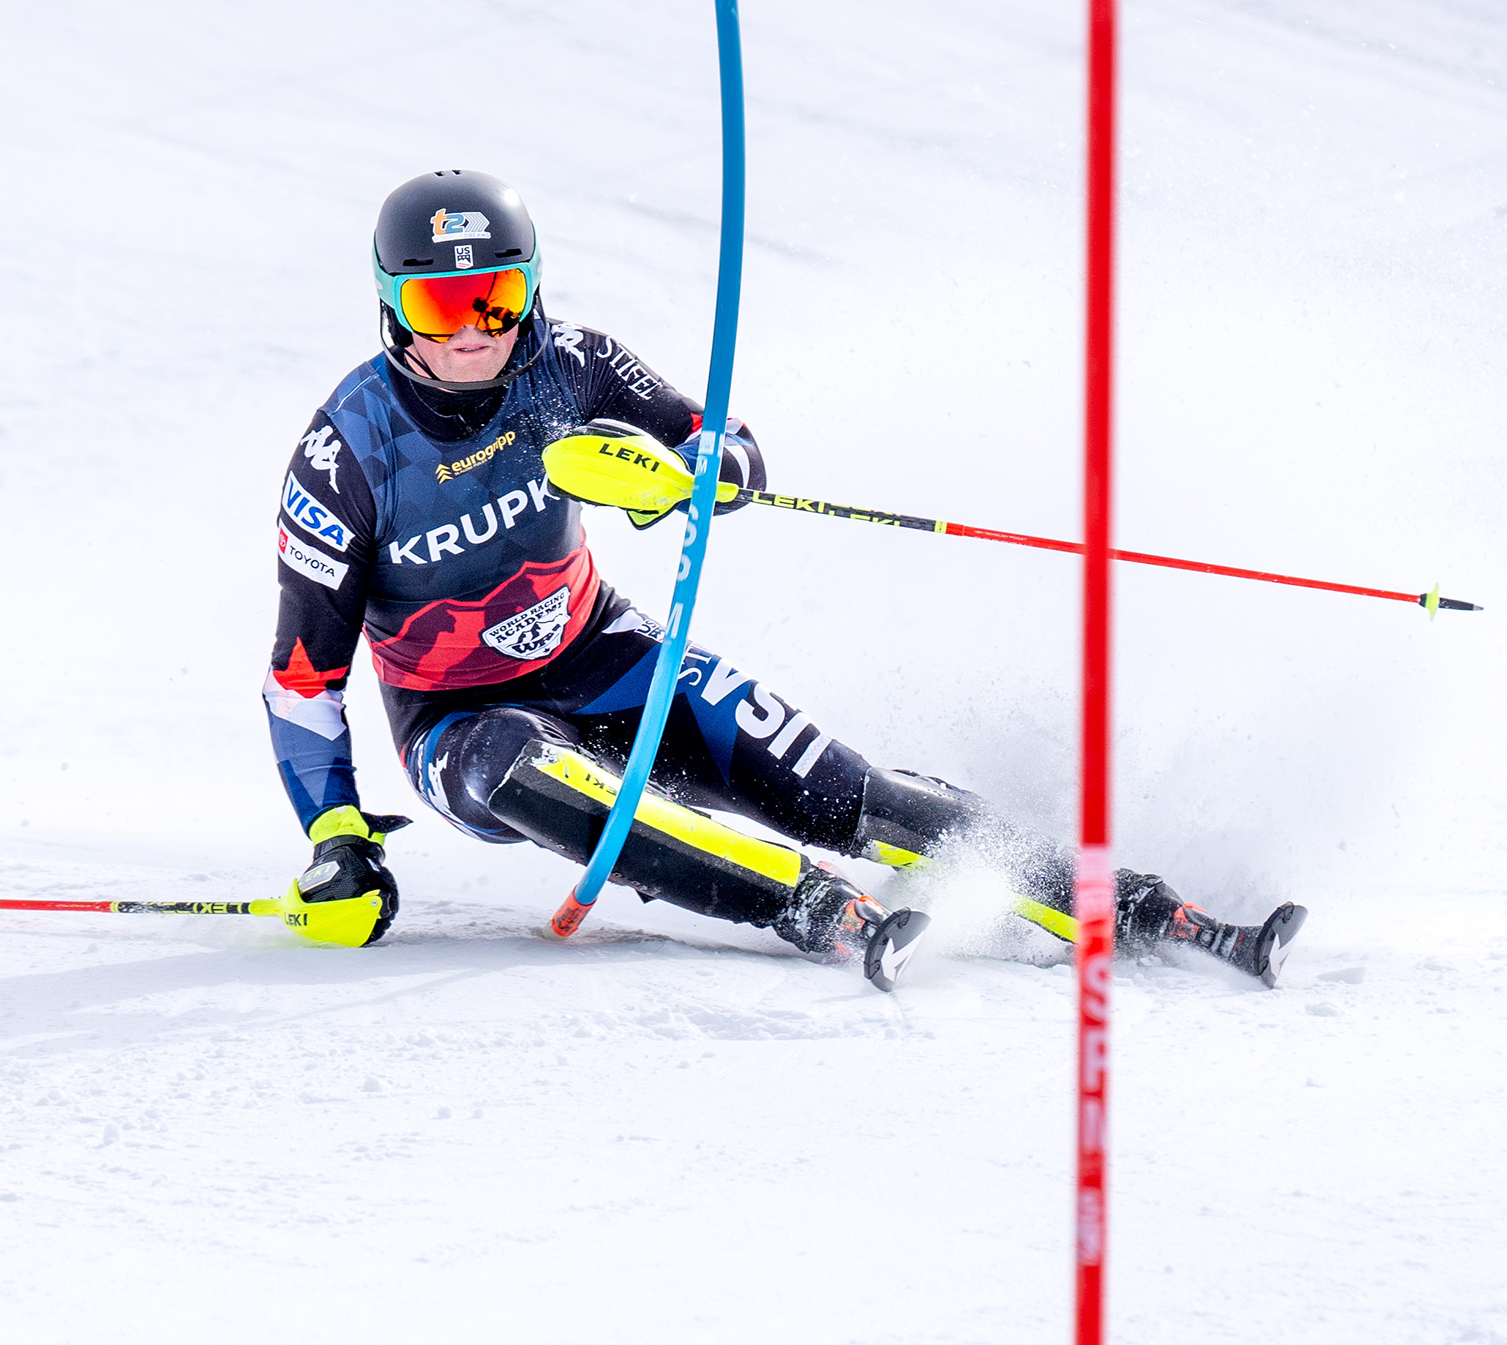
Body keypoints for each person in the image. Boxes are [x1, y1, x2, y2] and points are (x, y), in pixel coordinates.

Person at [264, 170, 1307, 988]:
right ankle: (813, 907)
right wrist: (338, 836)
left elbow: (716, 436)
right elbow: (302, 680)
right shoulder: (346, 454)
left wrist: (711, 472)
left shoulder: (571, 362)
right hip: (456, 718)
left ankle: (1135, 905)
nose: (474, 336)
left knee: (846, 791)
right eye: (440, 308)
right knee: (526, 772)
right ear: (393, 309)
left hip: (605, 655)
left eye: (496, 299)